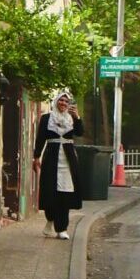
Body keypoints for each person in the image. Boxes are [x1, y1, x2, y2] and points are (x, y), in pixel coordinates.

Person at [32, 91, 84, 240]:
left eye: (66, 102)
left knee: (65, 194)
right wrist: (36, 157)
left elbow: (80, 133)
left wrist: (78, 117)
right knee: (50, 192)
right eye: (61, 101)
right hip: (51, 159)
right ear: (56, 102)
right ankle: (50, 219)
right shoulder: (47, 118)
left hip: (68, 161)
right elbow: (40, 138)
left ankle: (62, 228)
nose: (63, 104)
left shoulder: (72, 119)